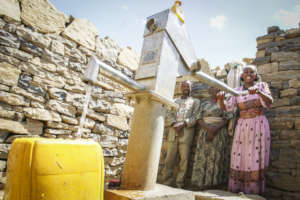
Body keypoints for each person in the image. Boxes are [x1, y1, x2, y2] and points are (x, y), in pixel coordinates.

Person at [217, 65, 273, 194]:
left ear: (255, 75)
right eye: (245, 72)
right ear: (241, 75)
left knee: (255, 156)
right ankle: (237, 189)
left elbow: (270, 102)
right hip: (242, 127)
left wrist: (259, 92)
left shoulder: (261, 86)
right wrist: (220, 100)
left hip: (258, 125)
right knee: (240, 156)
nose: (248, 74)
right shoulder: (236, 90)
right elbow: (227, 108)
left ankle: (253, 192)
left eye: (251, 72)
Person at [191, 86, 233, 189]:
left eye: (220, 89)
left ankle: (215, 184)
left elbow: (227, 117)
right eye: (216, 89)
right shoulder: (204, 103)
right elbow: (198, 118)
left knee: (217, 156)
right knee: (203, 156)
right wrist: (208, 128)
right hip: (205, 131)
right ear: (210, 91)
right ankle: (201, 183)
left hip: (219, 132)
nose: (218, 91)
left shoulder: (224, 102)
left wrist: (215, 129)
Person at [162, 80, 200, 188]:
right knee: (169, 159)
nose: (185, 88)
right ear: (180, 88)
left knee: (184, 160)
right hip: (173, 133)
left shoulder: (195, 101)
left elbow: (196, 116)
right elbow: (169, 113)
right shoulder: (174, 101)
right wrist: (174, 123)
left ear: (191, 88)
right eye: (183, 86)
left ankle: (179, 184)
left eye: (187, 86)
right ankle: (166, 183)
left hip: (186, 135)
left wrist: (183, 124)